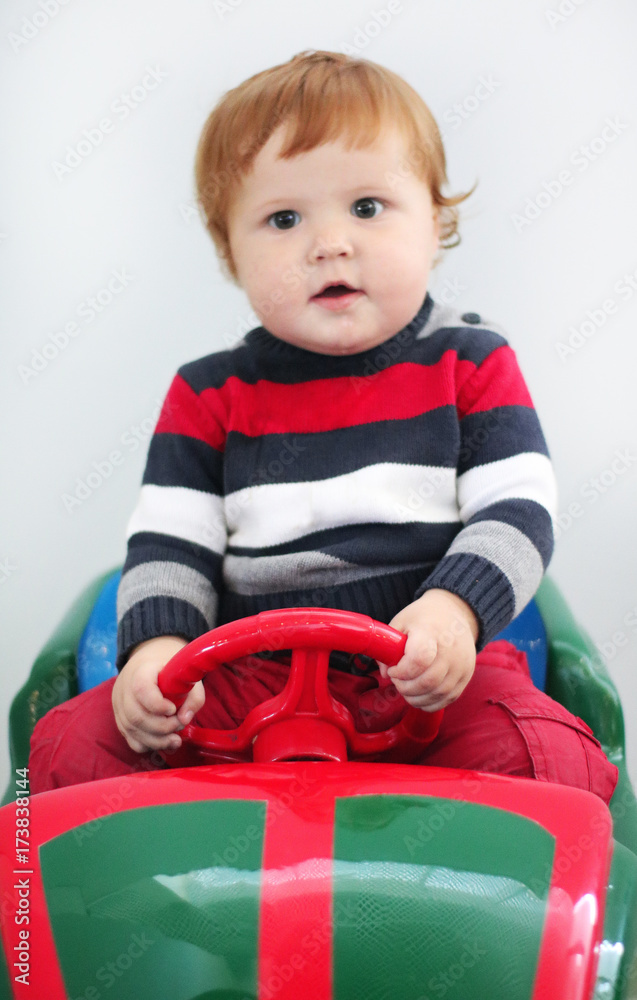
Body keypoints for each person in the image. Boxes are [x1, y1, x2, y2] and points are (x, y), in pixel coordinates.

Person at [30, 50, 617, 802]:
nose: (329, 243)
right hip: (247, 677)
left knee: (549, 760)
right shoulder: (208, 394)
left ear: (435, 224)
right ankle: (196, 870)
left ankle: (438, 864)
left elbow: (518, 511)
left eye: (367, 207)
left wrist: (453, 610)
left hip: (426, 671)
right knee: (66, 750)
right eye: (283, 219)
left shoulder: (470, 362)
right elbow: (170, 543)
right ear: (230, 253)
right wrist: (159, 652)